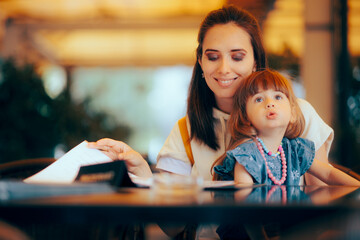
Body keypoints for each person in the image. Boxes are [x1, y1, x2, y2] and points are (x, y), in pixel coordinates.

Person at [88, 5, 334, 186]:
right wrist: (141, 171)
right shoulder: (186, 131)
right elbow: (174, 226)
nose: (224, 68)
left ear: (256, 61)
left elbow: (322, 201)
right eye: (213, 57)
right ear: (200, 62)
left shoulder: (296, 113)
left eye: (237, 57)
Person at [213, 69, 360, 186]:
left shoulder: (295, 150)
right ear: (246, 118)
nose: (270, 103)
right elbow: (246, 208)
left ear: (293, 114)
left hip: (290, 222)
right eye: (259, 99)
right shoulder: (247, 156)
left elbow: (328, 173)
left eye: (278, 97)